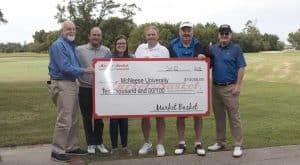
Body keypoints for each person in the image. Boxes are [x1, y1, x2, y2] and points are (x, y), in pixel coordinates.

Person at [47, 20, 93, 162]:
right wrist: (85, 70)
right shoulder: (58, 45)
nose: (71, 31)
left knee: (73, 117)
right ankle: (57, 150)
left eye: (73, 29)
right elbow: (65, 67)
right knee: (64, 118)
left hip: (71, 84)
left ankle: (71, 146)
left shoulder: (70, 45)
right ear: (62, 30)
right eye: (68, 29)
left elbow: (75, 65)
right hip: (61, 83)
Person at [168, 21, 209, 156]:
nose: (186, 33)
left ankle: (198, 143)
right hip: (178, 86)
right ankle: (181, 142)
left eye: (188, 30)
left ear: (192, 32)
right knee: (180, 115)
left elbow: (211, 60)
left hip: (196, 87)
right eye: (183, 30)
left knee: (197, 115)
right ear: (180, 32)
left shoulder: (199, 45)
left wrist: (205, 58)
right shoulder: (172, 45)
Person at [207, 24, 246, 158]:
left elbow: (241, 67)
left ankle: (238, 145)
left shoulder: (236, 49)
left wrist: (238, 86)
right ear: (218, 35)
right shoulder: (213, 49)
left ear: (230, 35)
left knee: (234, 117)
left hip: (230, 87)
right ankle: (220, 142)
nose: (224, 35)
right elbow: (207, 64)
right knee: (219, 117)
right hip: (215, 87)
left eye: (226, 33)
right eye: (222, 33)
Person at [135, 25, 170, 157]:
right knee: (145, 116)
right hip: (144, 87)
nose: (151, 37)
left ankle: (160, 143)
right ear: (146, 36)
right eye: (148, 35)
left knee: (160, 116)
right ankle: (147, 142)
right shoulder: (140, 48)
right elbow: (136, 67)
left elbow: (165, 69)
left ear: (157, 36)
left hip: (159, 87)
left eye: (153, 34)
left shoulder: (163, 50)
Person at [77, 27, 110, 154]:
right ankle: (90, 143)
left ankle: (99, 142)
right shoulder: (79, 50)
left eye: (98, 35)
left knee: (99, 118)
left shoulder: (106, 50)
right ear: (89, 36)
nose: (96, 37)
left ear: (101, 37)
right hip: (85, 88)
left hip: (100, 90)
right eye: (94, 35)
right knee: (86, 118)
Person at [105, 35, 133, 157]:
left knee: (124, 121)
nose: (121, 45)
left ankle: (125, 146)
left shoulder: (131, 58)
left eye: (123, 43)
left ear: (126, 45)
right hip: (112, 93)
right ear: (115, 46)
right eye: (118, 44)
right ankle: (114, 147)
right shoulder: (109, 57)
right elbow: (103, 72)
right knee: (114, 121)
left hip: (126, 94)